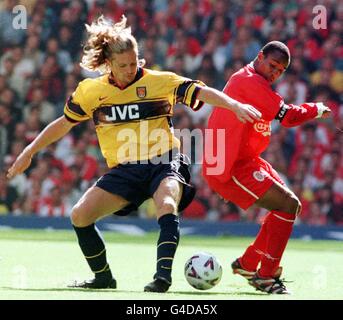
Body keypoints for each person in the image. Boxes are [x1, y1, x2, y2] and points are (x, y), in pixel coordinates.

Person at [6, 15, 261, 293]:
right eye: (122, 65)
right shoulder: (91, 91)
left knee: (165, 203)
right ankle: (103, 278)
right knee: (80, 216)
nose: (130, 69)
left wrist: (234, 105)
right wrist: (30, 150)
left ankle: (162, 278)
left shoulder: (160, 81)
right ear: (109, 64)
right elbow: (63, 123)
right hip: (125, 170)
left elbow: (202, 91)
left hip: (165, 160)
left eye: (133, 62)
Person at [203, 41, 331, 294]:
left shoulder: (254, 82)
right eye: (272, 65)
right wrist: (315, 109)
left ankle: (248, 264)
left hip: (244, 160)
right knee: (288, 205)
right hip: (230, 165)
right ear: (259, 56)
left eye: (280, 71)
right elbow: (289, 117)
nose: (274, 73)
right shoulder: (248, 81)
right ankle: (265, 276)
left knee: (289, 207)